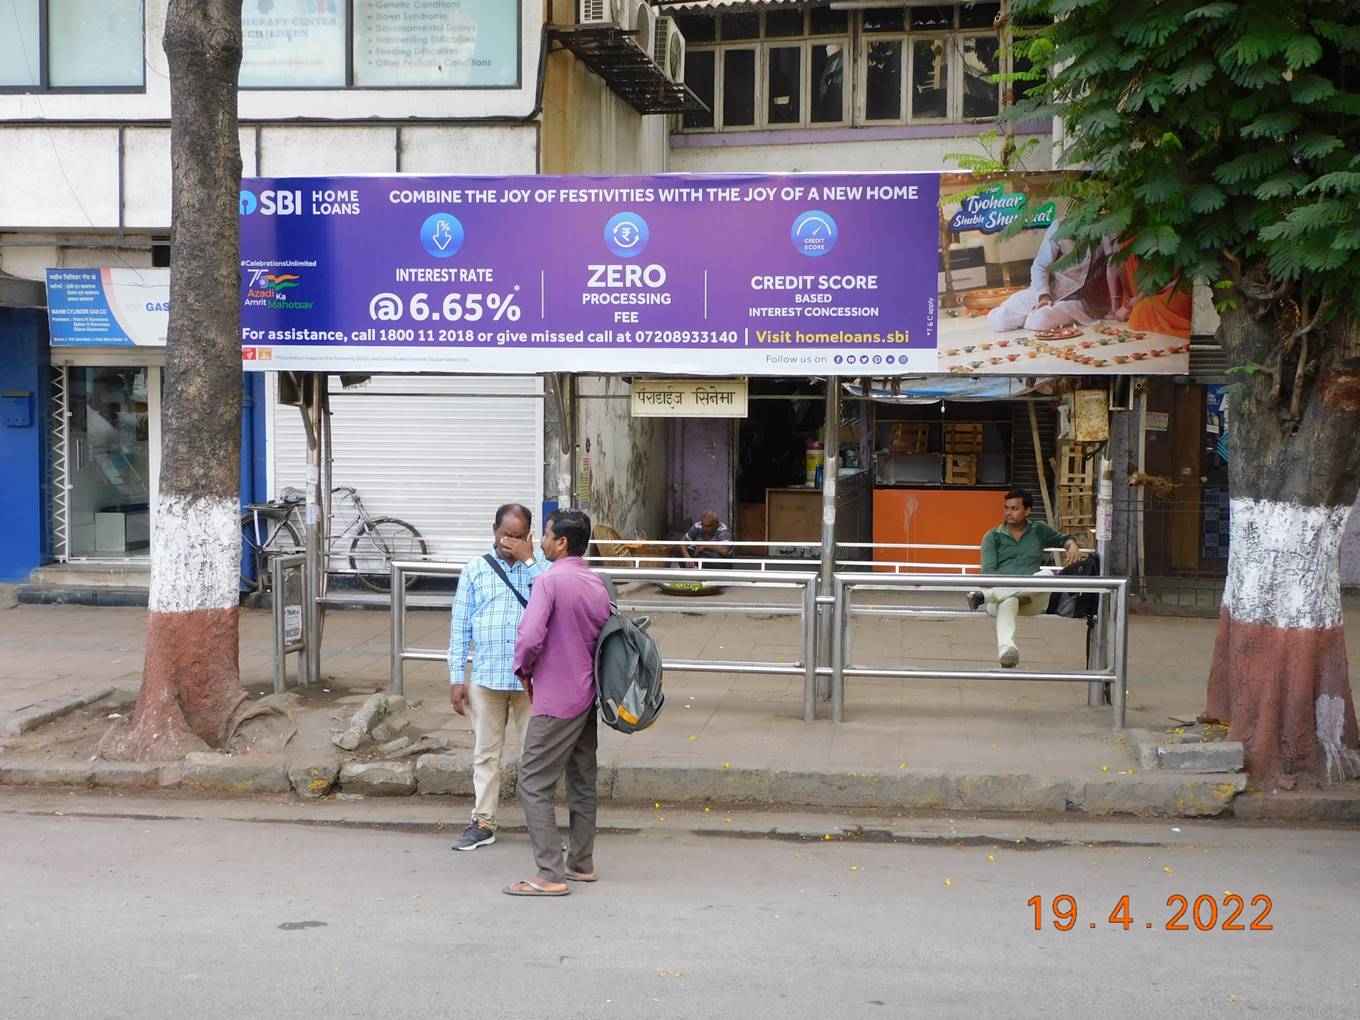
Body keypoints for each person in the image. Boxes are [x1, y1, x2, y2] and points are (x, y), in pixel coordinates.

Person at [504, 509, 612, 897]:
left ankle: (549, 873)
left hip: (556, 696)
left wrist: (523, 670)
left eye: (546, 535)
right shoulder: (596, 583)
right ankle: (581, 863)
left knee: (533, 780)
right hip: (587, 694)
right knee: (582, 779)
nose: (542, 541)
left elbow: (531, 637)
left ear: (561, 542)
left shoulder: (549, 582)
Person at [447, 503, 545, 852]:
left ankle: (542, 827)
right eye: (506, 536)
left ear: (529, 536)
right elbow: (460, 627)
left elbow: (554, 597)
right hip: (486, 677)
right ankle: (483, 821)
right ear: (494, 531)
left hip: (531, 681)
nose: (511, 543)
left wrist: (530, 559)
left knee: (537, 755)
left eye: (519, 537)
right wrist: (457, 677)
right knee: (485, 754)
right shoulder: (475, 570)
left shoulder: (541, 568)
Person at [975, 489, 1083, 669]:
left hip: (1029, 599)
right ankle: (1007, 651)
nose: (1009, 512)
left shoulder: (1038, 530)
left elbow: (1063, 539)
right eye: (1006, 508)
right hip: (1001, 602)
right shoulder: (992, 537)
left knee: (1048, 575)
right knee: (1009, 600)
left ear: (1027, 511)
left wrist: (1072, 545)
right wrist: (1016, 592)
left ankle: (983, 597)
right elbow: (989, 575)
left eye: (1014, 508)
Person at [987, 220, 1120, 333]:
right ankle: (1029, 314)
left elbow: (1114, 263)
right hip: (1050, 290)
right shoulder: (1061, 225)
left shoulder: (1108, 225)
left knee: (1039, 321)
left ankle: (1032, 317)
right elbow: (1040, 266)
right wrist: (1044, 295)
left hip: (1081, 300)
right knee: (999, 320)